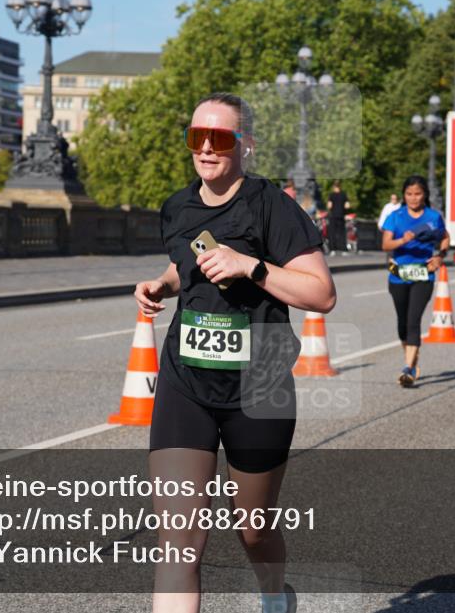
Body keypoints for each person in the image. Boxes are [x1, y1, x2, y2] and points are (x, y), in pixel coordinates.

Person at [135, 93, 335, 613]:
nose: (205, 147)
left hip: (259, 387)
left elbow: (321, 294)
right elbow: (185, 264)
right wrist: (161, 285)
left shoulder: (272, 207)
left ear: (245, 145)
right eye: (196, 136)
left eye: (219, 138)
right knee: (178, 542)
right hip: (186, 383)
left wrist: (252, 266)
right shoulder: (177, 208)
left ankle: (274, 595)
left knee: (253, 528)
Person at [381, 175, 450, 387]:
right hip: (398, 275)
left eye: (418, 194)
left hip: (423, 275)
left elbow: (445, 237)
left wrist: (440, 256)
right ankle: (411, 359)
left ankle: (408, 368)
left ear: (424, 194)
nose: (413, 198)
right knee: (402, 324)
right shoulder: (396, 216)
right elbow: (385, 245)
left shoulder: (433, 217)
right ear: (404, 195)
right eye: (409, 194)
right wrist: (404, 239)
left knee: (413, 320)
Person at [326, 180, 351, 256]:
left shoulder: (331, 195)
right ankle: (343, 249)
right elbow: (347, 206)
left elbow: (329, 206)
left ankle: (332, 249)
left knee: (332, 233)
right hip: (341, 216)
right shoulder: (343, 194)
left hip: (333, 216)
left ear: (334, 187)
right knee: (342, 233)